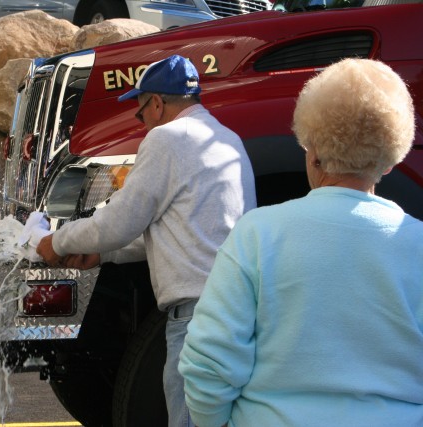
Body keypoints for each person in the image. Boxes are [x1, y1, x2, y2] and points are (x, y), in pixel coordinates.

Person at [178, 58, 423, 427]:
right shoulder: (417, 243)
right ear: (391, 159)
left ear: (311, 151)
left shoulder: (257, 234)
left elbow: (209, 361)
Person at [36, 54, 256, 426]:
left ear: (157, 103)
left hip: (195, 320)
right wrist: (103, 254)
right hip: (238, 313)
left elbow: (120, 220)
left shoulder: (167, 138)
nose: (142, 123)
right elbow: (179, 229)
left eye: (140, 113)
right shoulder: (226, 139)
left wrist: (57, 242)